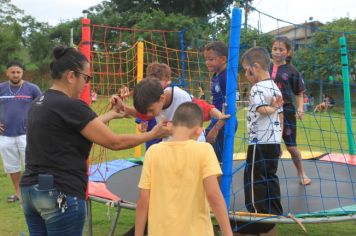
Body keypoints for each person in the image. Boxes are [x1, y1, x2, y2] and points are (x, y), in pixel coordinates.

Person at [19, 46, 169, 236]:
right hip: (60, 192)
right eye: (86, 78)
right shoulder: (72, 106)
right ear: (71, 76)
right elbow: (115, 142)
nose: (86, 85)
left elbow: (78, 126)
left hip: (30, 191)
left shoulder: (39, 103)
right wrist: (152, 134)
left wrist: (111, 115)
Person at [135, 102, 233, 236]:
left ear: (170, 126)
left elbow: (143, 199)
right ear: (199, 130)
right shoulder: (204, 150)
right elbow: (214, 195)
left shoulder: (153, 152)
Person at [241, 47, 284, 223]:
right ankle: (274, 210)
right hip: (273, 141)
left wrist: (272, 108)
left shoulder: (257, 88)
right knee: (270, 175)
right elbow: (280, 117)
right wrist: (279, 141)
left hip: (259, 142)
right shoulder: (274, 86)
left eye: (246, 69)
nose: (245, 73)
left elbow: (263, 109)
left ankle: (257, 213)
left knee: (254, 176)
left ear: (256, 67)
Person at [270, 36, 311, 185]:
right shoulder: (265, 67)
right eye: (275, 49)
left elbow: (299, 92)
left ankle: (301, 173)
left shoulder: (292, 71)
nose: (277, 52)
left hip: (286, 110)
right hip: (268, 111)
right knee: (267, 145)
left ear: (287, 52)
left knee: (292, 146)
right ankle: (267, 177)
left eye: (281, 49)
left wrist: (300, 108)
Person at [0, 61, 41, 203]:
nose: (16, 75)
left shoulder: (32, 88)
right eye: (13, 72)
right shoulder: (1, 88)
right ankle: (18, 193)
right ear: (7, 73)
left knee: (32, 164)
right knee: (12, 166)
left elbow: (41, 108)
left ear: (22, 73)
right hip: (5, 136)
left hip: (27, 134)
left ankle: (33, 193)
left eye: (18, 72)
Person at [204, 41, 237, 162]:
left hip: (224, 123)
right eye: (206, 59)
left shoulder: (226, 77)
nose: (207, 62)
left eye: (211, 59)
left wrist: (216, 129)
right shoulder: (216, 75)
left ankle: (222, 181)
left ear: (223, 59)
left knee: (219, 161)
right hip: (216, 120)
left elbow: (229, 108)